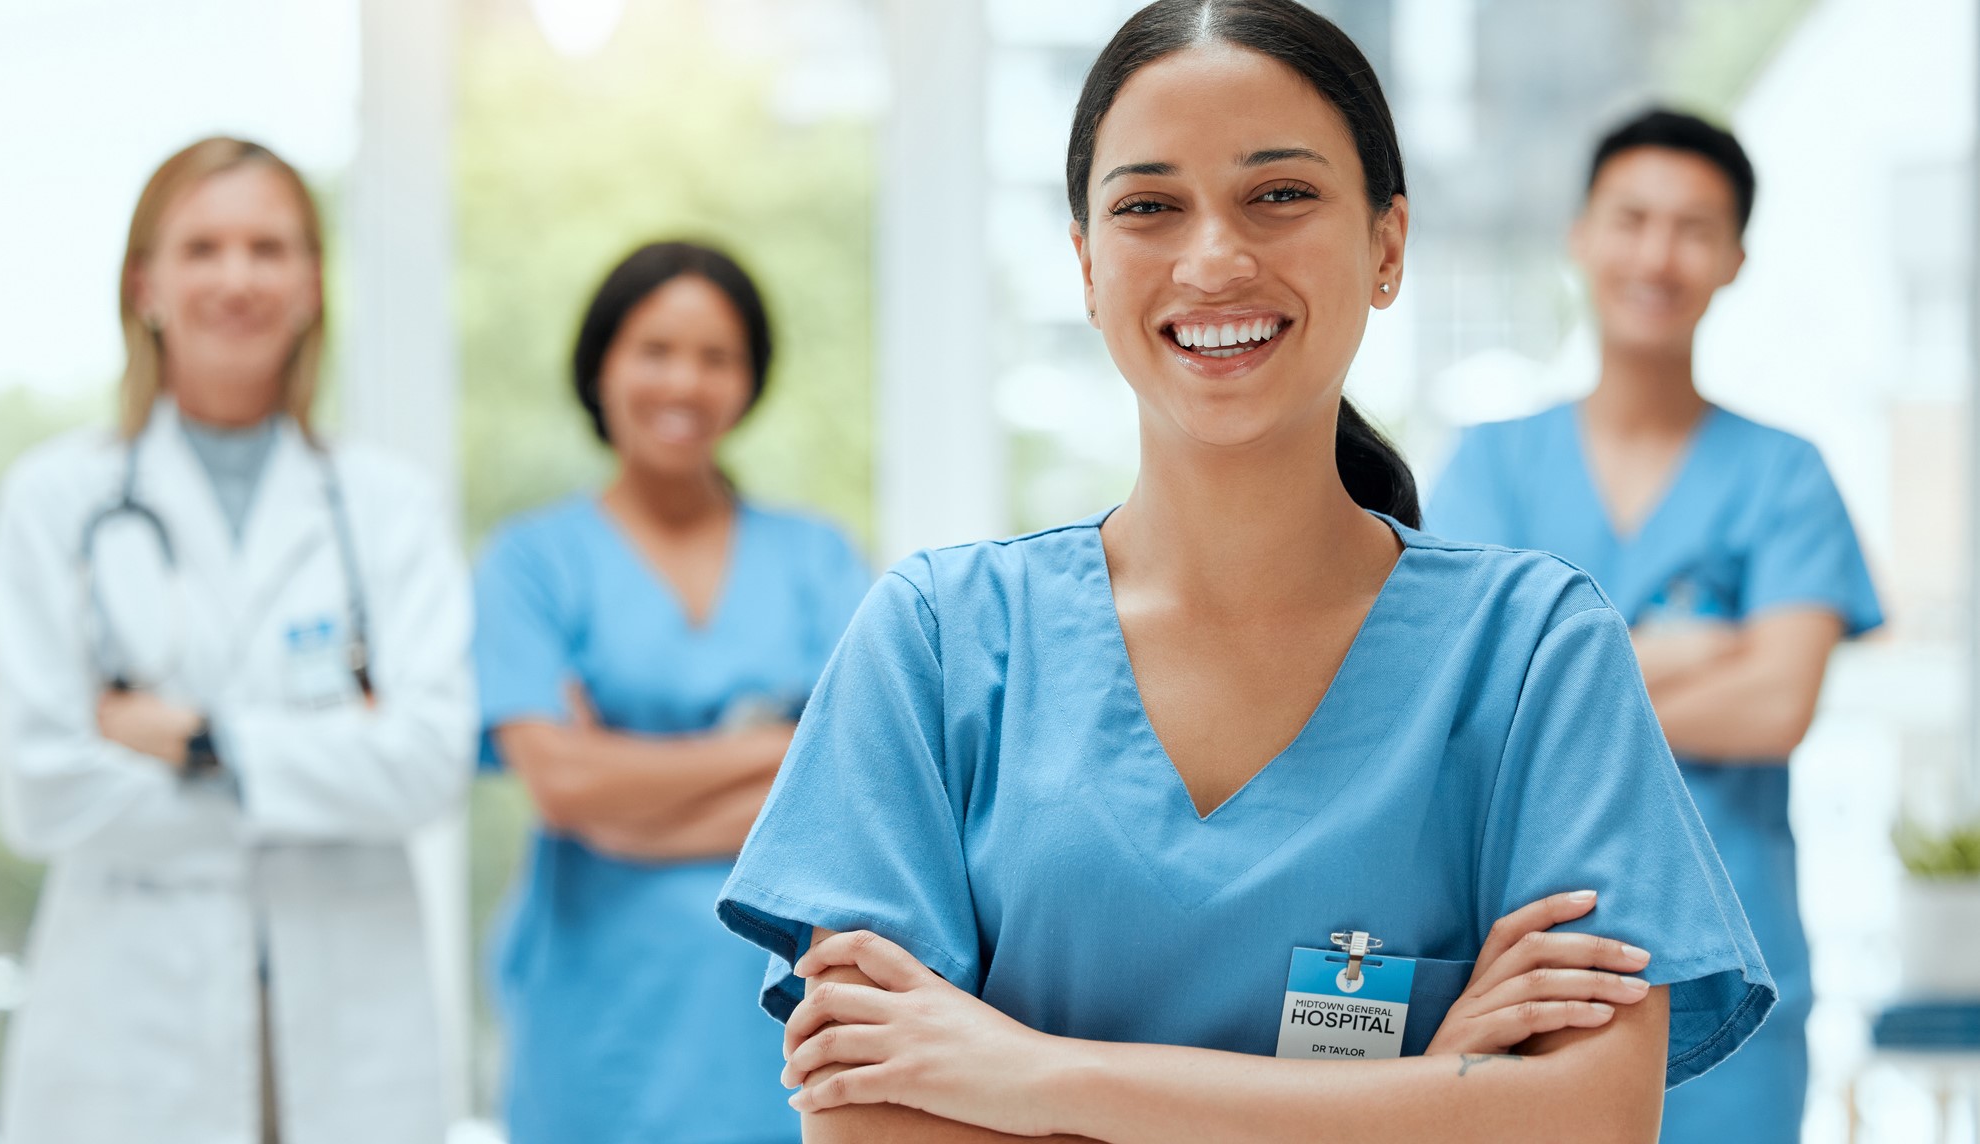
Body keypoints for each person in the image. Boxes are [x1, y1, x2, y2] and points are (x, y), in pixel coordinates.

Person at [712, 3, 1774, 1141]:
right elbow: (870, 1127)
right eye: (1148, 206)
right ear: (1084, 264)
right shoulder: (935, 642)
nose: (1213, 258)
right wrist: (1417, 1100)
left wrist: (1034, 1075)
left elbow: (1592, 1119)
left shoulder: (1532, 655)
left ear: (1387, 246)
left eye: (1279, 194)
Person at [0, 137, 475, 1144]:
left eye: (269, 247)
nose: (237, 277)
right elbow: (44, 789)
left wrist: (201, 742)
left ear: (311, 284)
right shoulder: (55, 500)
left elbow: (429, 765)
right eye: (203, 247)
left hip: (353, 1029)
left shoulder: (388, 506)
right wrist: (329, 763)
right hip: (131, 1020)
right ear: (145, 283)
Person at [1424, 109, 1882, 1143]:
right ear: (1581, 234)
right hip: (1521, 975)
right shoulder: (1490, 465)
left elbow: (1774, 707)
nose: (1656, 255)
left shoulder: (1785, 476)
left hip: (1734, 977)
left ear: (1734, 258)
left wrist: (1569, 680)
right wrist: (1693, 652)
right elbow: (1463, 709)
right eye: (1631, 218)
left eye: (1693, 227)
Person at [471, 241, 870, 1143]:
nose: (683, 382)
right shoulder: (532, 563)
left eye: (716, 356)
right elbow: (562, 788)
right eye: (655, 350)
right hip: (598, 1013)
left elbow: (857, 786)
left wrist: (624, 789)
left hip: (781, 1010)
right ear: (601, 364)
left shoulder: (817, 560)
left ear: (749, 379)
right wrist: (782, 746)